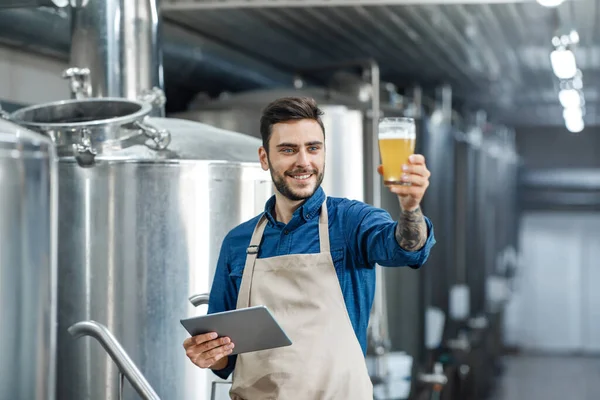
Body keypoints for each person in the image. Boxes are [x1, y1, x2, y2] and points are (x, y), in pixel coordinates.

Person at [183, 97, 436, 399]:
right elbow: (226, 358)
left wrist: (410, 208)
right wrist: (208, 352)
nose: (303, 161)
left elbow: (407, 249)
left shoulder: (352, 222)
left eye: (313, 148)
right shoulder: (238, 242)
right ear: (264, 158)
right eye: (288, 149)